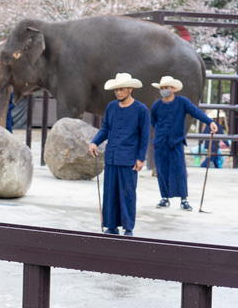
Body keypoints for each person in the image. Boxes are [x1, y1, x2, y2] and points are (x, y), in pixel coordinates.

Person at [88, 73, 150, 236]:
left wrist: (141, 158)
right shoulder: (111, 107)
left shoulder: (141, 110)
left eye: (121, 89)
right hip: (112, 157)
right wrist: (95, 142)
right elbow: (105, 128)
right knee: (110, 193)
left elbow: (145, 136)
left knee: (128, 193)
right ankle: (111, 225)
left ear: (130, 89)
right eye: (116, 90)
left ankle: (128, 227)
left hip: (129, 159)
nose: (118, 92)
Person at [149, 76, 217, 210]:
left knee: (179, 171)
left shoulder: (182, 102)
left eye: (166, 88)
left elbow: (196, 112)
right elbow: (153, 121)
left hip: (176, 142)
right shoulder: (157, 105)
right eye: (162, 88)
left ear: (173, 89)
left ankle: (183, 199)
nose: (164, 90)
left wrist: (210, 121)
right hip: (161, 143)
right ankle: (165, 197)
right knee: (162, 171)